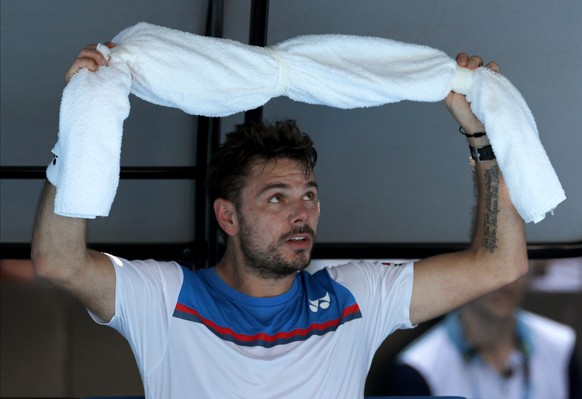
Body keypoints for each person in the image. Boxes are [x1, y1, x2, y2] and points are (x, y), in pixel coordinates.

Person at [31, 43, 528, 398]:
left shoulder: (354, 297)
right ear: (227, 216)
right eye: (276, 198)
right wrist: (82, 124)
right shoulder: (166, 297)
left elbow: (500, 265)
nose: (301, 212)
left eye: (309, 194)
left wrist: (484, 139)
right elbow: (60, 262)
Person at [386, 275, 582, 399]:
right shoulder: (419, 369)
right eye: (490, 266)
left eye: (517, 261)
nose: (505, 280)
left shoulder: (561, 345)